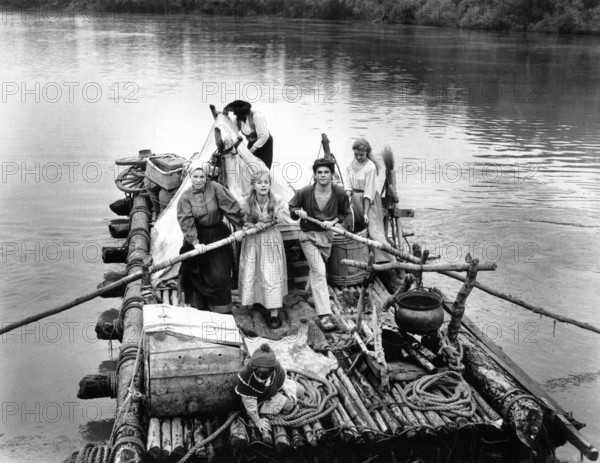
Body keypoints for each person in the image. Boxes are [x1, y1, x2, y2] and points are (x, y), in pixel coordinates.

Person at [288, 158, 350, 332]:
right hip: (308, 236)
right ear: (315, 174)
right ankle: (324, 316)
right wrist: (297, 212)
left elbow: (344, 214)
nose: (323, 175)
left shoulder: (339, 192)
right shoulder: (306, 192)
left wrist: (334, 222)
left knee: (316, 270)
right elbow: (291, 208)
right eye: (319, 172)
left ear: (332, 174)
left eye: (326, 172)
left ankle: (310, 293)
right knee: (320, 272)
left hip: (327, 238)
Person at [177, 161, 244, 313]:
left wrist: (239, 227)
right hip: (196, 238)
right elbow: (185, 220)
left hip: (217, 235)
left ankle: (221, 308)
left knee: (219, 274)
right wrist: (195, 242)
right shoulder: (185, 197)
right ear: (190, 177)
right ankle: (199, 307)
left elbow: (231, 207)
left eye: (202, 176)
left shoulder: (215, 188)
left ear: (206, 176)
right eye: (195, 176)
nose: (199, 179)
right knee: (194, 271)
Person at [238, 170, 290, 329]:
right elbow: (241, 221)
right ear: (253, 186)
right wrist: (251, 225)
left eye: (266, 182)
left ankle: (274, 312)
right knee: (253, 271)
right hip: (253, 241)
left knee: (270, 274)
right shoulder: (246, 201)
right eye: (259, 182)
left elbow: (282, 214)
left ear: (269, 185)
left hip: (270, 241)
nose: (263, 185)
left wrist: (280, 215)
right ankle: (258, 301)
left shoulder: (277, 200)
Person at [235, 344, 301, 435]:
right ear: (253, 368)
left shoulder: (276, 366)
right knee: (289, 405)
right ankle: (266, 412)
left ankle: (280, 398)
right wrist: (257, 421)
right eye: (257, 376)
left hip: (271, 391)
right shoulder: (245, 376)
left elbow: (282, 378)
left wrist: (287, 389)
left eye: (264, 378)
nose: (259, 380)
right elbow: (250, 404)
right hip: (258, 401)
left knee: (301, 390)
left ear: (272, 371)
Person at [345, 138, 392, 264]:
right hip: (355, 198)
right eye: (356, 154)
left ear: (367, 153)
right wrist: (347, 200)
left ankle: (388, 258)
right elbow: (348, 186)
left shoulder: (370, 167)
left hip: (369, 201)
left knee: (373, 231)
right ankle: (363, 256)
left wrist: (365, 213)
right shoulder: (350, 163)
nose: (359, 157)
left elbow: (368, 192)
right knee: (356, 228)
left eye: (362, 155)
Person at [224, 100, 274, 169]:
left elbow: (264, 136)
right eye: (236, 114)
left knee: (263, 168)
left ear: (244, 113)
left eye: (238, 114)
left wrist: (251, 150)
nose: (236, 116)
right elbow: (232, 133)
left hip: (265, 144)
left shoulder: (257, 117)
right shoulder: (238, 120)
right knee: (249, 166)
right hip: (252, 143)